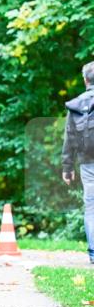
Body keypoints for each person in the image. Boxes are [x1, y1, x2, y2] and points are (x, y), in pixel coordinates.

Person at [61, 60, 94, 264]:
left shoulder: (76, 105)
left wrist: (67, 167)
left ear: (85, 80)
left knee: (91, 206)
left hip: (87, 162)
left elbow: (69, 137)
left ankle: (93, 253)